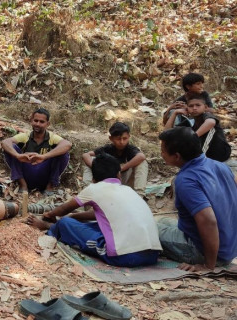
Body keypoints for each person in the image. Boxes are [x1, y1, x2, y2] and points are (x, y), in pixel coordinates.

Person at [26, 153, 162, 267]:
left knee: (65, 223)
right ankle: (59, 225)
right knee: (98, 225)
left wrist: (50, 214)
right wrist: (76, 216)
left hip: (125, 256)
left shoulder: (94, 188)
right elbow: (105, 216)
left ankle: (50, 227)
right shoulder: (128, 190)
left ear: (93, 178)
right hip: (152, 255)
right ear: (119, 175)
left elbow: (63, 209)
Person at [157, 127, 237, 272]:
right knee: (162, 221)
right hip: (229, 248)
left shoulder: (185, 180)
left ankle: (209, 260)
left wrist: (208, 265)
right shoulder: (220, 166)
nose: (161, 154)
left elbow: (208, 221)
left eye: (163, 151)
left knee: (149, 228)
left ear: (176, 156)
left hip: (206, 253)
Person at [1, 108, 71, 195]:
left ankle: (50, 186)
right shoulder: (26, 136)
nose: (37, 124)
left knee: (63, 153)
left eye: (42, 122)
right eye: (35, 120)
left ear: (47, 124)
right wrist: (17, 156)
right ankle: (23, 185)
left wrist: (43, 157)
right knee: (11, 148)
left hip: (44, 175)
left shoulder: (51, 137)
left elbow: (67, 144)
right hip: (27, 174)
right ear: (31, 121)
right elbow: (5, 142)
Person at [82, 122, 148, 195]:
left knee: (142, 162)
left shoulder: (130, 149)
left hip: (125, 184)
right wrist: (97, 168)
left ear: (129, 137)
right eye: (118, 139)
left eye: (125, 138)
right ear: (111, 138)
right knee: (93, 159)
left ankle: (139, 195)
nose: (122, 142)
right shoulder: (108, 149)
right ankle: (86, 193)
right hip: (107, 184)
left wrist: (119, 169)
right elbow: (86, 155)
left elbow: (141, 156)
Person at [164, 94, 230, 162]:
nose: (194, 108)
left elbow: (211, 122)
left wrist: (193, 137)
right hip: (207, 155)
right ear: (187, 109)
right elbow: (167, 132)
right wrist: (175, 113)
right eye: (191, 106)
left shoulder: (206, 115)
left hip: (220, 153)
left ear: (205, 107)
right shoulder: (190, 122)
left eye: (198, 105)